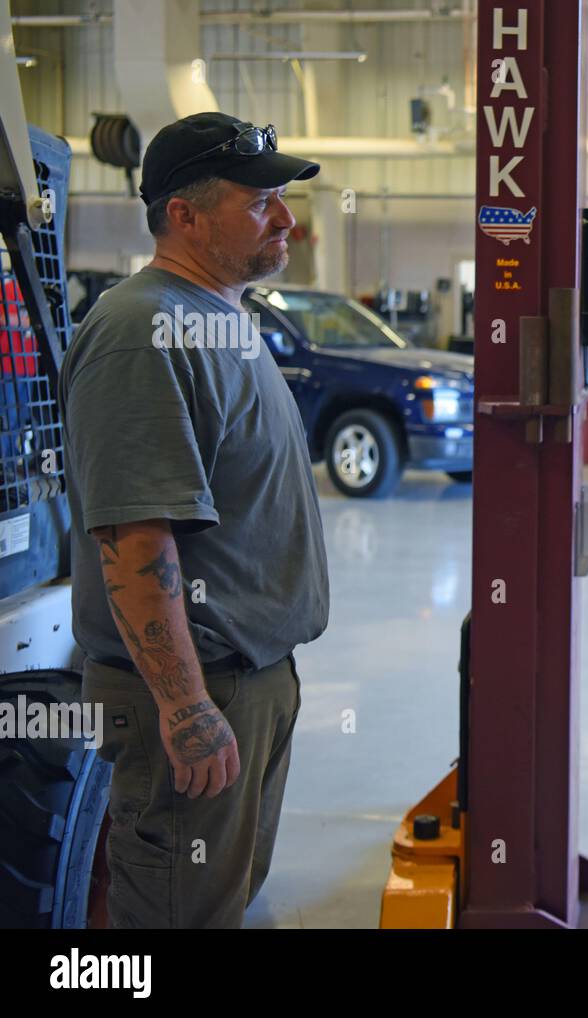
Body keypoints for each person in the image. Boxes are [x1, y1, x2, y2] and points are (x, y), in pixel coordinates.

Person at [60, 112, 330, 928]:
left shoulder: (217, 315)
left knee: (216, 901)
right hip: (195, 688)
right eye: (260, 203)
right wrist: (184, 710)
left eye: (282, 199)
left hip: (250, 677)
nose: (285, 219)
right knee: (176, 916)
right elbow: (136, 540)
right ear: (184, 215)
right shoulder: (144, 332)